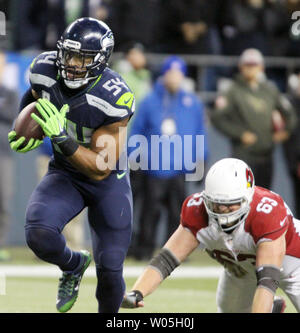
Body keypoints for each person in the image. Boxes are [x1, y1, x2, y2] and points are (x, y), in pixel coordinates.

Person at [8, 17, 135, 313]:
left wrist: (60, 137)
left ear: (100, 61)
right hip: (66, 173)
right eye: (69, 54)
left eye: (83, 58)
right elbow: (36, 95)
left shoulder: (114, 96)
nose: (73, 63)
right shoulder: (43, 69)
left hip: (107, 182)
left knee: (110, 271)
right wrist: (24, 124)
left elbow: (99, 167)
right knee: (38, 233)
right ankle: (73, 264)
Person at [121, 158, 300, 313]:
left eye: (231, 205)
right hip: (241, 270)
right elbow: (166, 260)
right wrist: (137, 292)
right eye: (217, 205)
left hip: (294, 268)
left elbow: (268, 280)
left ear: (248, 198)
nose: (223, 212)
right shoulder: (197, 211)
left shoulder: (266, 213)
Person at [128, 55, 208, 260]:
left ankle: (175, 254)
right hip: (153, 166)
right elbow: (136, 132)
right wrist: (133, 158)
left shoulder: (192, 103)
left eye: (178, 74)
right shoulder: (149, 101)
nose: (174, 78)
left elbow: (199, 132)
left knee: (178, 216)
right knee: (149, 213)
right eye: (171, 74)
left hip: (179, 168)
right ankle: (145, 251)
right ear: (164, 75)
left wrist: (201, 158)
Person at [211, 48, 297, 189]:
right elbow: (217, 117)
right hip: (244, 155)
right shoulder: (232, 90)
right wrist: (239, 133)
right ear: (241, 67)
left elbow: (289, 113)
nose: (251, 69)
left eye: (254, 65)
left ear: (261, 67)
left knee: (264, 195)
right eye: (247, 65)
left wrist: (285, 132)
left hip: (266, 154)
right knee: (242, 196)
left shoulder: (269, 90)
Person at [0, 52, 18, 261]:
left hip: (4, 153)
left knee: (3, 199)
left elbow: (11, 113)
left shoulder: (10, 93)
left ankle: (1, 243)